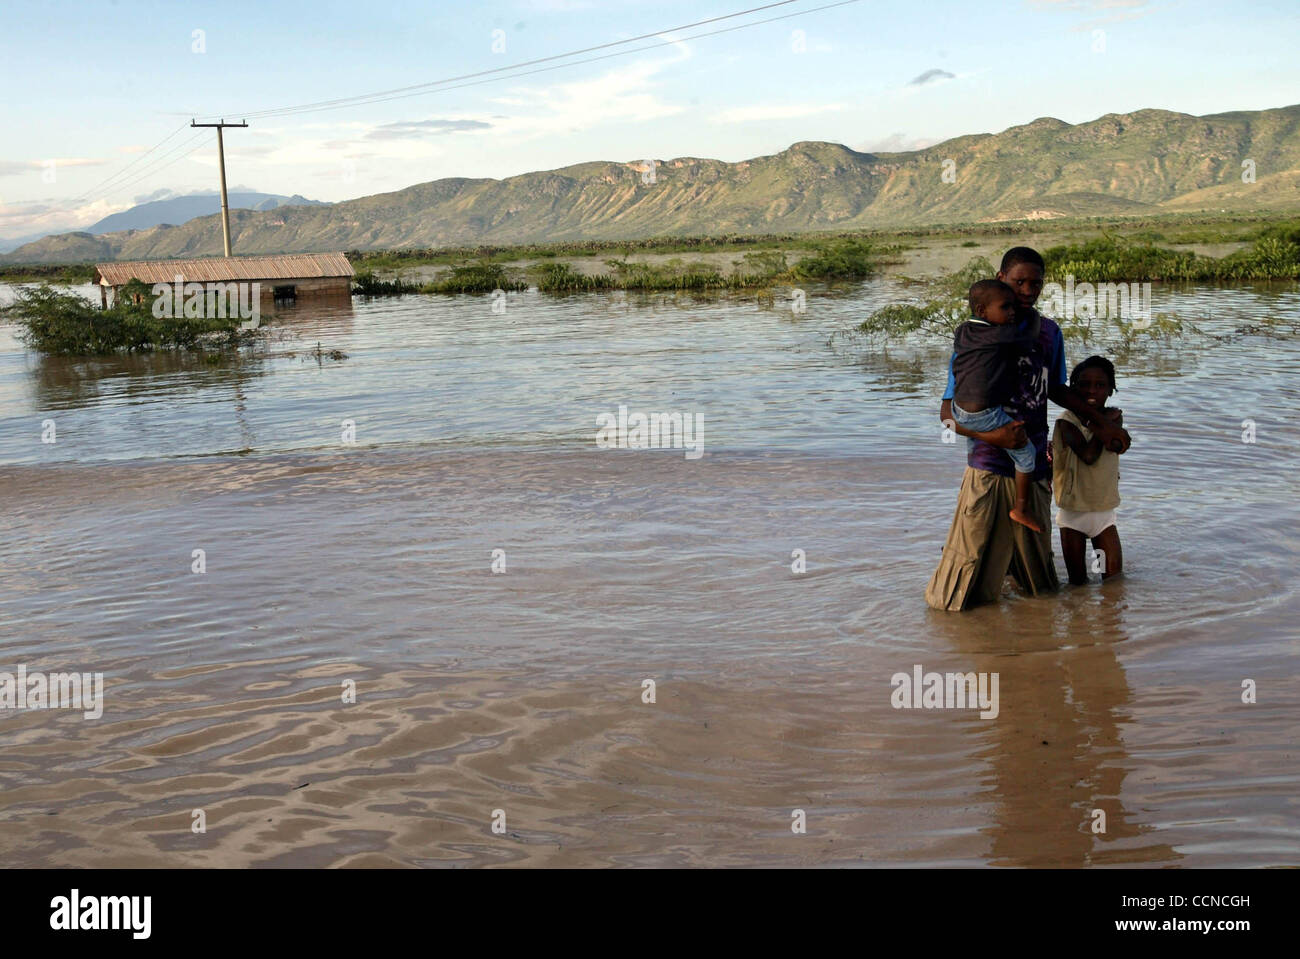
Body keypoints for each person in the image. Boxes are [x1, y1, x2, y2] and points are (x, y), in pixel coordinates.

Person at [925, 247, 1131, 612]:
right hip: (986, 468)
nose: (1027, 290)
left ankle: (1033, 647)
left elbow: (1056, 389)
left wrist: (1099, 422)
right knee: (960, 582)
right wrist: (993, 436)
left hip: (1033, 469)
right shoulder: (976, 338)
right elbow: (949, 413)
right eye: (1019, 281)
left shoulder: (1049, 333)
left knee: (1041, 586)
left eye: (1035, 283)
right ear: (1000, 278)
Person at [950, 279, 1043, 533]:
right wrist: (1034, 316)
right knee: (1026, 454)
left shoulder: (963, 331)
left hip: (960, 410)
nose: (1012, 313)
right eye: (1006, 307)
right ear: (982, 311)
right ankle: (1021, 508)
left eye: (1013, 307)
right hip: (984, 413)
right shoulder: (1000, 334)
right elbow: (1027, 340)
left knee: (979, 445)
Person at [1051, 356, 1124, 584]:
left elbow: (1120, 444)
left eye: (1100, 385)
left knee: (1112, 583)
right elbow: (1089, 455)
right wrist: (1101, 422)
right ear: (1073, 389)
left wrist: (1107, 424)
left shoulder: (1115, 418)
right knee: (1078, 585)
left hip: (1103, 515)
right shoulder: (1066, 422)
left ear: (1110, 390)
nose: (1092, 390)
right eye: (1084, 384)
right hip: (1073, 516)